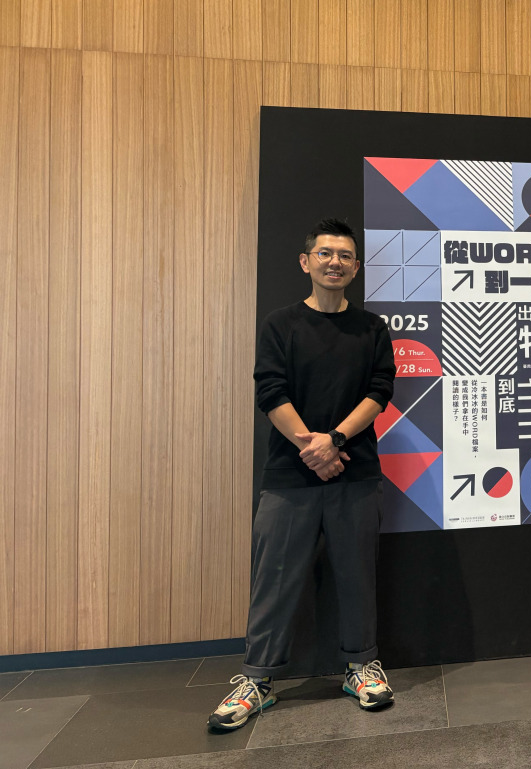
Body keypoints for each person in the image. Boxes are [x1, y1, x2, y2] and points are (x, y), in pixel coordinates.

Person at [209, 218, 398, 731]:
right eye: (325, 253)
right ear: (306, 261)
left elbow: (380, 391)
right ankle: (257, 679)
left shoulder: (372, 328)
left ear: (355, 267)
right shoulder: (281, 324)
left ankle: (361, 667)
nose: (335, 262)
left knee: (357, 574)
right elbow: (270, 391)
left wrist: (335, 440)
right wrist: (312, 448)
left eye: (345, 255)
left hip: (355, 472)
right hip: (289, 476)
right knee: (274, 578)